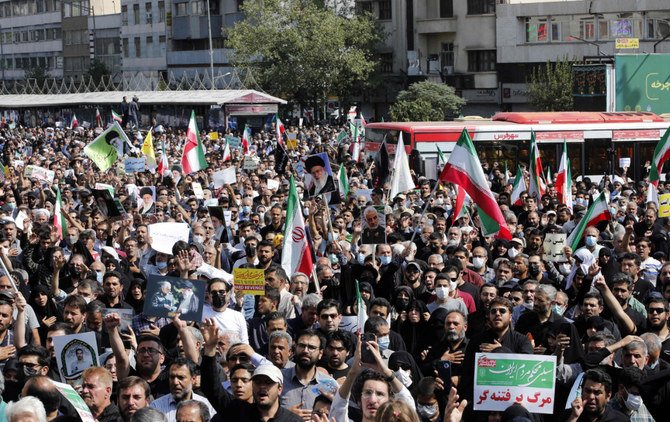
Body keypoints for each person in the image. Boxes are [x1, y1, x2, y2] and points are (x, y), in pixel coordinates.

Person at [149, 357, 216, 422]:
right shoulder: (156, 407)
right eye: (172, 377)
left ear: (193, 379)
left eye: (181, 377)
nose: (175, 382)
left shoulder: (208, 406)